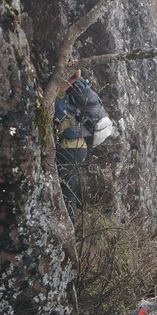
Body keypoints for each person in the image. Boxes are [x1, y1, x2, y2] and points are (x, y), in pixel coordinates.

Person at [54, 69, 112, 218]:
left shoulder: (61, 97)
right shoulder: (72, 99)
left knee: (66, 189)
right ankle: (69, 225)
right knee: (68, 187)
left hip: (70, 148)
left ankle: (69, 226)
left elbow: (70, 80)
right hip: (78, 148)